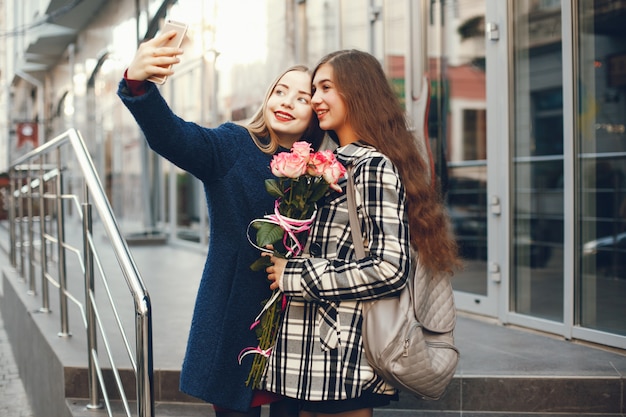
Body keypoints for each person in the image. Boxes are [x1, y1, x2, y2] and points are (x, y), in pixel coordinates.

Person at [117, 29, 329, 417]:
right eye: (281, 90)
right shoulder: (232, 145)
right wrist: (138, 84)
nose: (287, 102)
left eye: (303, 98)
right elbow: (173, 136)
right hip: (234, 320)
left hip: (298, 325)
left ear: (317, 114)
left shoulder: (323, 172)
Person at [262, 49, 461, 417]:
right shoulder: (338, 162)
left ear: (357, 93)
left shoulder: (371, 166)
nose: (316, 99)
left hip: (341, 352)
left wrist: (296, 274)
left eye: (325, 88)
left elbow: (389, 268)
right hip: (319, 352)